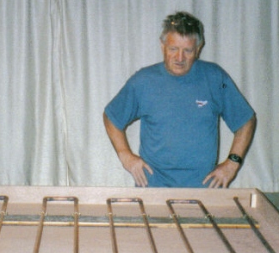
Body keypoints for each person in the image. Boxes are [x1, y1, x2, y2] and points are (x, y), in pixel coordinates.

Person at [103, 11, 256, 188]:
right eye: (173, 49)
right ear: (162, 46)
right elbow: (111, 117)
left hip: (204, 188)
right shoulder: (143, 81)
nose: (180, 58)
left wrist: (232, 164)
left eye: (187, 50)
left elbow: (246, 121)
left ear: (198, 48)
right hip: (153, 187)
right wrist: (126, 156)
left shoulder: (215, 78)